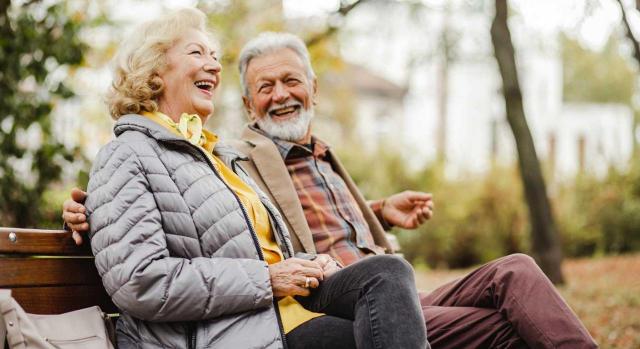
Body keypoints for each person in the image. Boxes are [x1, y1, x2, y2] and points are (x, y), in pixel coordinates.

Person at [65, 30, 598, 348]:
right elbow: (150, 231)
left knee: (516, 271)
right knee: (498, 329)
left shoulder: (275, 155)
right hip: (320, 300)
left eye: (291, 81)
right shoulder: (238, 151)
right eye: (263, 88)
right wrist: (86, 211)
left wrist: (381, 212)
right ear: (249, 106)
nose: (280, 96)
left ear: (314, 88)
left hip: (375, 289)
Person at [83, 9, 427, 349]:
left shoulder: (213, 156)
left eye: (215, 56)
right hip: (227, 331)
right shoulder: (125, 154)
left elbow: (254, 252)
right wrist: (269, 279)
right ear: (154, 70)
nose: (216, 66)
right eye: (197, 52)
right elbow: (140, 282)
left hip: (282, 311)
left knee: (388, 271)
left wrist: (310, 263)